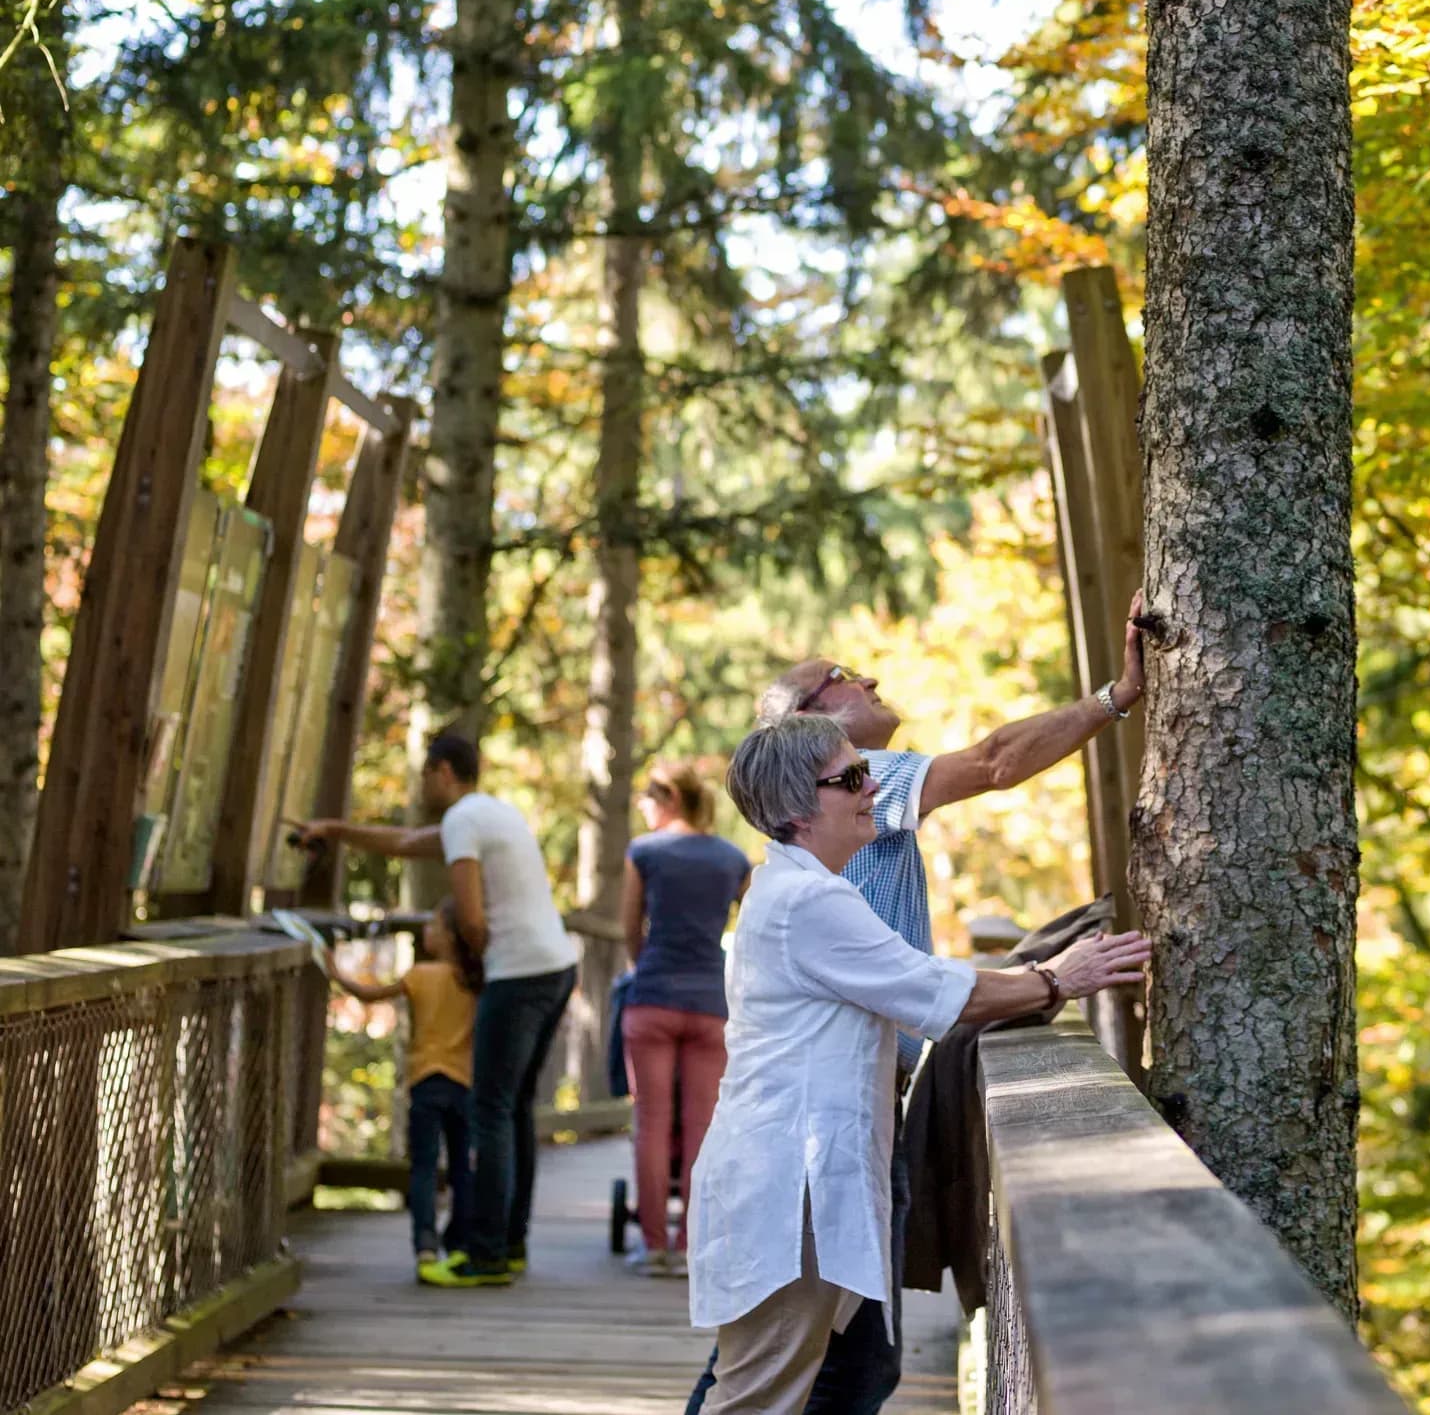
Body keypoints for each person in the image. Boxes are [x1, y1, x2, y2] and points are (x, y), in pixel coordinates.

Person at [682, 592, 1150, 1415]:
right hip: (798, 1168)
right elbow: (934, 986)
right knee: (771, 1386)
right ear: (803, 776)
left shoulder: (804, 881)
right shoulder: (811, 891)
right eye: (851, 775)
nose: (869, 785)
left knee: (802, 1373)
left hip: (825, 1152)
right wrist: (1055, 978)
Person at [303, 728, 579, 1287]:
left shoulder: (462, 821)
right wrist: (334, 831)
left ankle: (484, 1255)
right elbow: (405, 843)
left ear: (443, 772)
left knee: (491, 1110)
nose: (422, 784)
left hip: (519, 972)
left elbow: (471, 918)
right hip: (555, 965)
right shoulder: (492, 813)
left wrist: (472, 969)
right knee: (517, 1108)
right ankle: (512, 1243)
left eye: (425, 774)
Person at [621, 759, 751, 1277]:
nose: (642, 805)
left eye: (647, 796)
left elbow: (629, 926)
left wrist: (643, 967)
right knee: (700, 1125)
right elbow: (757, 922)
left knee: (651, 1122)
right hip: (709, 1006)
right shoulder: (732, 859)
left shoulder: (644, 852)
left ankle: (654, 1247)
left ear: (669, 797)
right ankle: (692, 1244)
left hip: (652, 997)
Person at [328, 897, 483, 1279]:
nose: (426, 931)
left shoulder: (419, 976)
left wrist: (333, 969)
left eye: (433, 926)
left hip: (426, 1082)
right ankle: (460, 1243)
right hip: (465, 1083)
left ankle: (425, 1246)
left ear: (447, 937)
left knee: (425, 1167)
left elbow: (368, 995)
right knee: (463, 1167)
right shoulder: (476, 980)